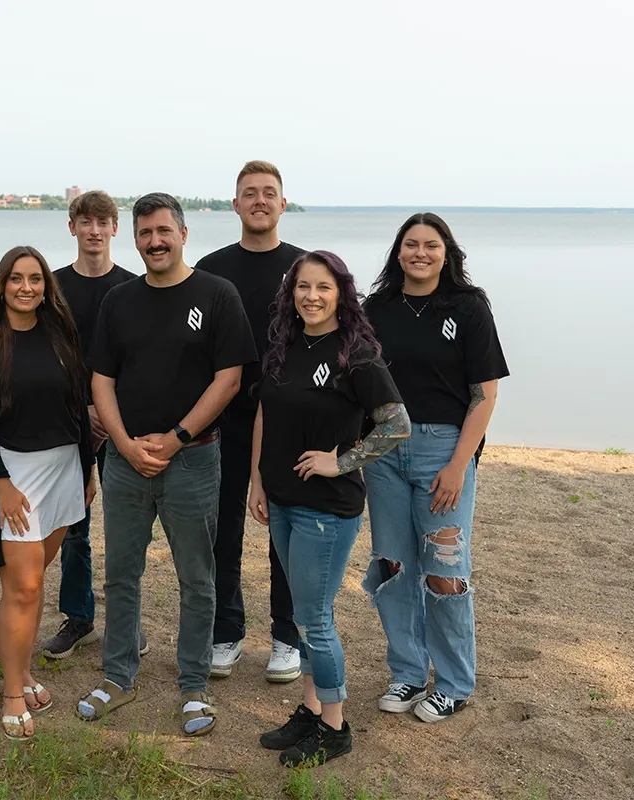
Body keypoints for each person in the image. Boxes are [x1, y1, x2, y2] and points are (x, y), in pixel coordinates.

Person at [76, 193, 257, 737]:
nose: (154, 241)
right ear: (133, 238)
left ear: (182, 233)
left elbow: (229, 378)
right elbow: (100, 379)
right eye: (144, 233)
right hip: (125, 463)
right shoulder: (119, 300)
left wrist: (177, 439)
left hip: (194, 461)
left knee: (197, 579)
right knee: (121, 575)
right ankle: (118, 676)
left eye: (163, 231)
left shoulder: (217, 294)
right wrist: (125, 445)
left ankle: (194, 686)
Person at [248, 250, 411, 766]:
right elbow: (265, 415)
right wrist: (257, 478)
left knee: (315, 619)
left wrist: (341, 461)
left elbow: (396, 425)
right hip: (281, 499)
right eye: (302, 287)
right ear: (290, 293)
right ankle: (311, 709)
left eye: (322, 287)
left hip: (327, 508)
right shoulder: (285, 345)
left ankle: (335, 728)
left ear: (341, 292)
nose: (311, 296)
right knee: (301, 613)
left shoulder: (355, 353)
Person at [360, 212, 509, 723]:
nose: (419, 253)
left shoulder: (467, 308)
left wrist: (457, 465)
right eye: (410, 244)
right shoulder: (375, 309)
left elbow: (484, 395)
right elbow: (357, 383)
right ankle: (406, 673)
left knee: (445, 572)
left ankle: (452, 682)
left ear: (447, 252)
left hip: (444, 451)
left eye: (430, 244)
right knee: (396, 567)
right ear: (397, 251)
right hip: (384, 453)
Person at [0, 245, 95, 741]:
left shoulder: (60, 336)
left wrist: (88, 467)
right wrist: (1, 485)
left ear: (46, 287)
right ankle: (13, 690)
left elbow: (77, 405)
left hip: (63, 469)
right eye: (17, 278)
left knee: (36, 580)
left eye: (36, 279)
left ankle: (24, 669)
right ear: (1, 284)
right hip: (12, 474)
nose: (27, 287)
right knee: (24, 586)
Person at [196, 160, 306, 682]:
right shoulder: (211, 270)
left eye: (269, 193)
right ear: (235, 204)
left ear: (283, 204)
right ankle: (225, 631)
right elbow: (193, 349)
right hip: (225, 418)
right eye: (249, 193)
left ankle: (287, 636)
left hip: (289, 421)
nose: (259, 200)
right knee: (222, 529)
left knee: (285, 530)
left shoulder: (306, 267)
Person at [41, 190, 145, 659]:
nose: (95, 231)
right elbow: (45, 358)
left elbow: (141, 362)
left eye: (103, 222)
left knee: (128, 526)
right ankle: (79, 617)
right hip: (68, 420)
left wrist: (109, 415)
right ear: (73, 228)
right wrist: (81, 411)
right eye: (86, 222)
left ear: (115, 229)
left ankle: (126, 622)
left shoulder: (133, 287)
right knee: (74, 524)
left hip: (122, 422)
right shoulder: (53, 288)